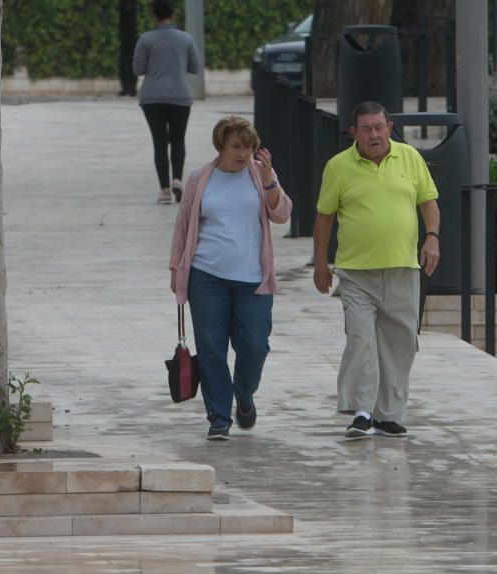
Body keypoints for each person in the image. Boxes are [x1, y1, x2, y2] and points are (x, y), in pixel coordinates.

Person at [312, 101, 440, 440]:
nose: (374, 135)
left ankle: (388, 415)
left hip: (402, 268)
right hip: (356, 272)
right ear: (353, 133)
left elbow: (428, 202)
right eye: (366, 129)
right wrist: (321, 264)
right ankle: (362, 411)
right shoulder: (338, 167)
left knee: (400, 344)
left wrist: (432, 239)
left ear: (390, 127)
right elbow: (324, 219)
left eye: (379, 127)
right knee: (361, 339)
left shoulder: (410, 158)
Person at [169, 116, 292, 440]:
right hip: (206, 275)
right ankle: (219, 417)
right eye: (236, 146)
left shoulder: (260, 175)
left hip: (253, 278)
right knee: (210, 347)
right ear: (221, 146)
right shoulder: (200, 178)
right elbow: (183, 227)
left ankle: (245, 395)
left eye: (249, 146)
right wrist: (175, 270)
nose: (243, 153)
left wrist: (269, 180)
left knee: (254, 345)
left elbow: (282, 214)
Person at [133, 0, 200, 205]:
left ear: (154, 16)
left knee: (160, 142)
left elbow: (138, 69)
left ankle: (163, 190)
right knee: (178, 139)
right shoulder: (186, 39)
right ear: (174, 14)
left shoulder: (145, 40)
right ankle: (177, 180)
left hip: (152, 98)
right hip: (180, 96)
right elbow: (195, 67)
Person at [117, 0, 138, 97]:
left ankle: (129, 88)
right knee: (126, 56)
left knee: (128, 56)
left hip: (129, 34)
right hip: (127, 33)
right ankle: (127, 88)